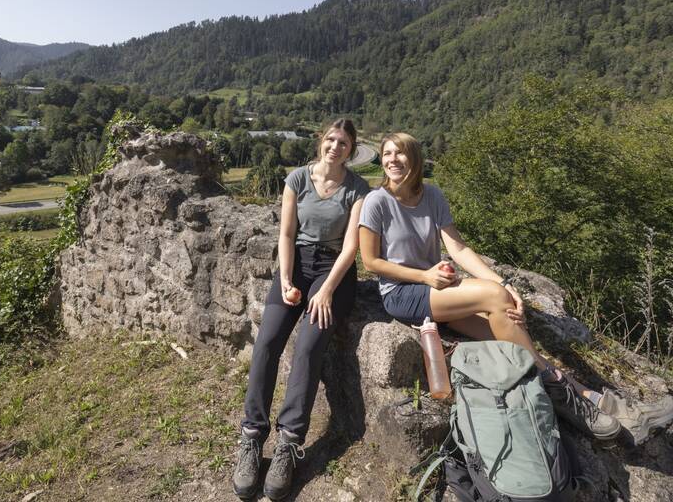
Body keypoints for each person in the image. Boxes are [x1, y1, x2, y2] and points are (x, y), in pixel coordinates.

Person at [358, 132, 620, 441]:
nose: (392, 160)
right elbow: (371, 262)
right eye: (387, 154)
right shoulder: (377, 202)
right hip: (402, 294)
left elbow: (458, 249)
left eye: (399, 153)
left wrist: (503, 283)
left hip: (438, 292)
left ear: (414, 158)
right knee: (494, 298)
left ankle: (579, 393)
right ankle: (566, 395)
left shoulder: (433, 195)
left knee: (509, 332)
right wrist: (426, 277)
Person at [232, 119, 370, 500]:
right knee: (267, 342)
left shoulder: (358, 189)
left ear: (351, 148)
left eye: (343, 143)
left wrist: (325, 291)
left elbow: (350, 249)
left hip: (334, 273)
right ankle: (251, 438)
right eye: (330, 140)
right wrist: (288, 280)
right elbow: (287, 234)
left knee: (308, 348)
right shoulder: (296, 179)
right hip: (296, 266)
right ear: (320, 141)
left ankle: (288, 445)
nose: (335, 147)